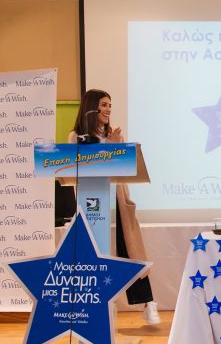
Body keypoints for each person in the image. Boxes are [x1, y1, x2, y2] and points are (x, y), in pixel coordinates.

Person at [69, 89, 161, 325]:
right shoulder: (76, 136)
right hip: (92, 206)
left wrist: (118, 146)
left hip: (117, 203)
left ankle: (147, 302)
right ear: (91, 107)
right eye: (103, 104)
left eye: (110, 105)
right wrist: (108, 147)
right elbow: (80, 168)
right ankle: (97, 309)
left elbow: (125, 169)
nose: (108, 109)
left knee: (131, 252)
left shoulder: (113, 134)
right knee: (94, 257)